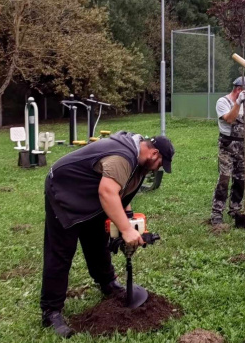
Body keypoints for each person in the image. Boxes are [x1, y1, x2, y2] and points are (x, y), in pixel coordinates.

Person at [40, 132, 174, 338]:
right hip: (65, 189)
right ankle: (51, 311)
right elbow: (108, 192)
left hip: (89, 196)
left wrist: (127, 219)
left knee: (97, 241)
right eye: (160, 164)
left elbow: (121, 190)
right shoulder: (123, 157)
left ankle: (107, 283)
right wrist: (127, 231)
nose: (157, 169)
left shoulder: (139, 161)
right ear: (154, 153)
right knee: (60, 252)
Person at [210, 76, 245, 226]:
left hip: (243, 146)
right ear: (239, 89)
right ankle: (216, 213)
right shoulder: (223, 102)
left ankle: (235, 209)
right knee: (224, 178)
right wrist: (238, 102)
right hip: (227, 145)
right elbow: (229, 119)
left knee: (241, 179)